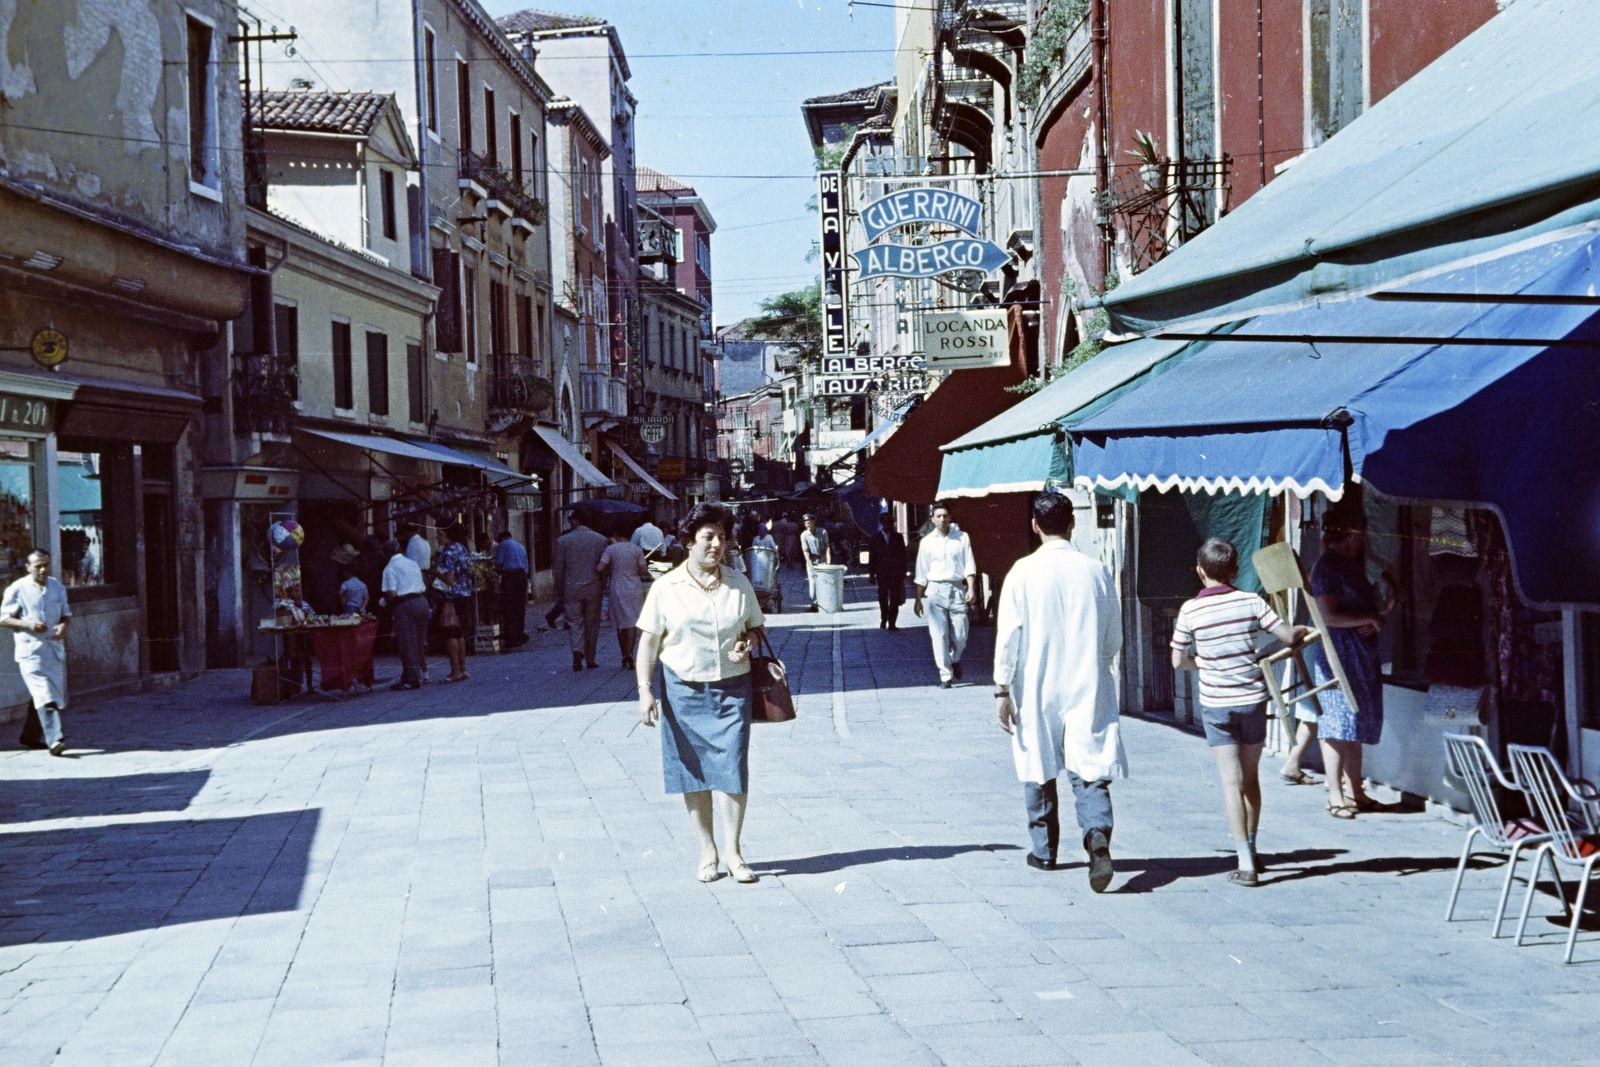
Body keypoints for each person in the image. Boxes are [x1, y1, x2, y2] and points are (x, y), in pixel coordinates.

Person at [994, 492, 1122, 891]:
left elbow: (1008, 637)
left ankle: (1044, 851)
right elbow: (1113, 636)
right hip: (1088, 677)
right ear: (1073, 523)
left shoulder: (1022, 572)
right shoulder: (1096, 571)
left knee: (1038, 760)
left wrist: (1001, 689)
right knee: (1090, 761)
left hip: (1036, 681)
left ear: (1035, 525)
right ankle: (1096, 833)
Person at [635, 503, 767, 884]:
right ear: (689, 541)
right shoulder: (665, 588)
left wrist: (747, 641)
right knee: (692, 771)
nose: (717, 544)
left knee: (732, 767)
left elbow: (758, 628)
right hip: (683, 690)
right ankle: (707, 851)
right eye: (708, 536)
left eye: (722, 537)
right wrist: (645, 691)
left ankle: (734, 852)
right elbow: (647, 644)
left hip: (732, 688)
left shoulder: (738, 582)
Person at [1171, 538, 1310, 886]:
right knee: (1250, 780)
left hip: (1216, 706)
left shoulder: (1190, 610)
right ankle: (1253, 847)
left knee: (1230, 784)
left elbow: (1178, 660)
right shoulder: (1251, 601)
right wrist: (1302, 631)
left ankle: (1245, 862)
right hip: (1252, 701)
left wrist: (1203, 661)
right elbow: (1287, 636)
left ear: (1200, 572)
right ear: (1235, 572)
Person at [1309, 504, 1392, 818]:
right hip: (1339, 655)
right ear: (1347, 534)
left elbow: (1359, 609)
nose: (1364, 538)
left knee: (1353, 724)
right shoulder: (1328, 565)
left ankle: (1356, 792)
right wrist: (1370, 616)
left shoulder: (1349, 564)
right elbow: (1329, 615)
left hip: (1360, 652)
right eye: (1360, 532)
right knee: (1336, 723)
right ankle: (1335, 795)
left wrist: (1378, 612)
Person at [4, 550, 71, 755]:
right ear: (27, 567)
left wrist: (62, 626)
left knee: (46, 695)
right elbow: (4, 618)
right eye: (38, 566)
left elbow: (66, 614)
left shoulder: (57, 587)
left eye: (46, 565)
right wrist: (28, 623)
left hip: (53, 650)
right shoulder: (17, 588)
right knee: (44, 692)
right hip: (30, 651)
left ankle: (30, 736)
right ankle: (55, 740)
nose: (43, 569)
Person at [913, 502, 977, 687]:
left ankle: (953, 659)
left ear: (950, 517)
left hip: (957, 589)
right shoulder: (926, 543)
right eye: (938, 516)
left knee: (961, 634)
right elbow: (921, 572)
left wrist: (971, 588)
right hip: (935, 590)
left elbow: (969, 566)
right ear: (932, 519)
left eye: (945, 516)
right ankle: (945, 675)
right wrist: (918, 599)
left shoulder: (962, 538)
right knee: (939, 635)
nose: (942, 519)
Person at [554, 511, 609, 670]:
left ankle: (577, 651)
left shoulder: (563, 541)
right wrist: (603, 583)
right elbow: (603, 566)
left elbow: (559, 569)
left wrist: (558, 588)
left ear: (576, 521)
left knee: (574, 621)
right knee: (592, 622)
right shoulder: (600, 540)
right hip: (594, 586)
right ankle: (591, 658)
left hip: (571, 587)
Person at [598, 529, 650, 668]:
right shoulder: (636, 549)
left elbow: (600, 567)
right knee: (632, 621)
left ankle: (623, 653)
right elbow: (643, 570)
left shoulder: (611, 549)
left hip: (617, 587)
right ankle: (630, 653)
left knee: (620, 621)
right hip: (634, 587)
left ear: (616, 534)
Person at [380, 539, 429, 690]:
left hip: (405, 604)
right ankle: (410, 675)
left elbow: (392, 594)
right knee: (418, 642)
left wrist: (385, 602)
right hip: (421, 601)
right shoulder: (411, 563)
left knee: (407, 643)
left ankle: (412, 679)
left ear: (386, 554)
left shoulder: (390, 568)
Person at [433, 525, 473, 683]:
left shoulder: (449, 551)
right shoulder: (461, 547)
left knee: (450, 632)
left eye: (440, 533)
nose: (437, 537)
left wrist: (434, 572)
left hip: (451, 597)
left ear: (449, 534)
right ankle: (462, 669)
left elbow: (449, 579)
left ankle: (455, 670)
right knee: (459, 633)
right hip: (464, 594)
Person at [867, 515, 908, 630]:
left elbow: (903, 555)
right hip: (882, 572)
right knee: (883, 596)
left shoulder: (898, 537)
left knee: (895, 598)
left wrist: (904, 572)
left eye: (891, 523)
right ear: (881, 523)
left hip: (896, 573)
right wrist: (871, 574)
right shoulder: (875, 538)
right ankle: (884, 618)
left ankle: (892, 623)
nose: (889, 525)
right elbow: (872, 557)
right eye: (887, 523)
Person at [494, 530, 530, 648]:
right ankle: (519, 634)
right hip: (522, 577)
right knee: (520, 606)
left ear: (502, 539)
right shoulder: (520, 545)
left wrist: (497, 571)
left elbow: (499, 563)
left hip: (510, 577)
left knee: (509, 607)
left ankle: (512, 638)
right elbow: (526, 565)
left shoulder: (503, 545)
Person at [800, 513, 831, 612]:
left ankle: (826, 603)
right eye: (806, 524)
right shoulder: (804, 535)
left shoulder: (823, 532)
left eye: (809, 523)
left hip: (822, 559)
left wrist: (828, 560)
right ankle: (814, 604)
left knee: (824, 582)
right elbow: (806, 551)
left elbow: (827, 547)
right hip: (812, 560)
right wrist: (809, 564)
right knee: (813, 584)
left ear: (814, 522)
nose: (808, 525)